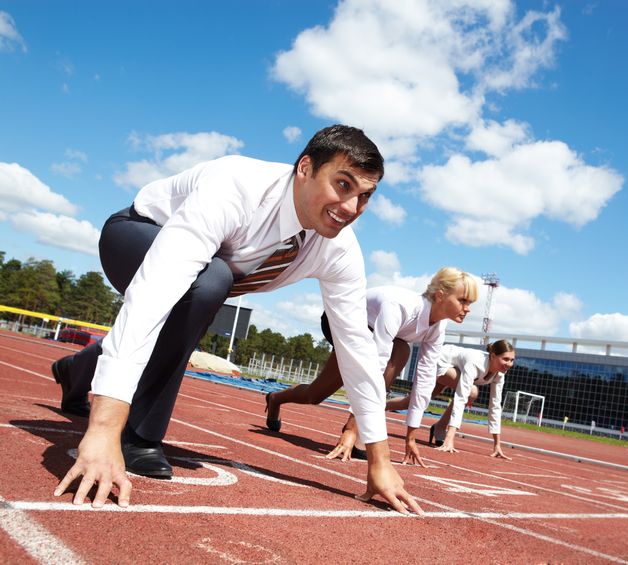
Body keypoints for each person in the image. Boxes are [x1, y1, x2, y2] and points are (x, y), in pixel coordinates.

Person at [51, 124, 422, 515]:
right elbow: (154, 293)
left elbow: (357, 350)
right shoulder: (236, 185)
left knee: (207, 287)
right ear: (305, 168)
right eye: (342, 185)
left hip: (200, 280)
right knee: (209, 283)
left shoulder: (339, 249)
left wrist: (379, 460)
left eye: (365, 197)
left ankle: (77, 370)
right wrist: (105, 428)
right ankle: (139, 435)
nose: (351, 208)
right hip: (137, 233)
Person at [264, 268, 478, 466]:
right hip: (342, 320)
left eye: (470, 303)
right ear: (440, 296)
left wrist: (411, 436)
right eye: (463, 300)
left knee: (318, 392)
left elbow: (425, 379)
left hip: (375, 334)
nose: (467, 308)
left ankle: (279, 399)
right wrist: (349, 428)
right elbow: (377, 361)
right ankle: (343, 426)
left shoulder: (438, 327)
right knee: (318, 393)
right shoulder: (400, 306)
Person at [385, 340, 515, 458]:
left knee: (409, 402)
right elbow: (461, 397)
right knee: (470, 392)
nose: (509, 364)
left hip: (454, 368)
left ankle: (438, 426)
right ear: (493, 356)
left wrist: (497, 444)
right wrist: (450, 437)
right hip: (440, 360)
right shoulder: (475, 362)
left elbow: (495, 406)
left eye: (512, 360)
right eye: (506, 359)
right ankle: (441, 429)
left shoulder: (500, 374)